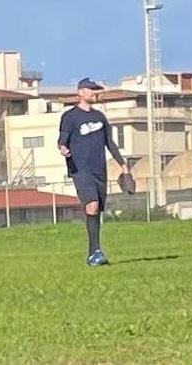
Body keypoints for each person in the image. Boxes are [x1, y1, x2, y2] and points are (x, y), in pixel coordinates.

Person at [57, 77, 129, 267]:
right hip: (80, 169)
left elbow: (110, 143)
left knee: (96, 211)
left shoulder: (100, 117)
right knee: (92, 205)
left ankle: (93, 253)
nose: (95, 93)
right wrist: (63, 148)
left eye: (96, 90)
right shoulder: (70, 117)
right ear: (80, 92)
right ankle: (95, 253)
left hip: (99, 170)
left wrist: (123, 165)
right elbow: (62, 139)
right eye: (91, 89)